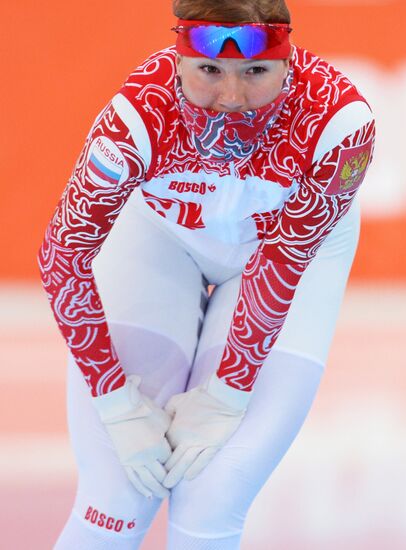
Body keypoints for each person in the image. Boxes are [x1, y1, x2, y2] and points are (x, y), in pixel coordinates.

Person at [38, 0, 375, 548]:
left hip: (283, 251)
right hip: (160, 236)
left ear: (288, 65)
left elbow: (284, 261)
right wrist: (114, 403)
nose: (232, 100)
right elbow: (62, 255)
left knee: (212, 495)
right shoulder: (137, 119)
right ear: (177, 62)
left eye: (256, 72)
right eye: (209, 71)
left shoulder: (339, 122)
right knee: (116, 497)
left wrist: (229, 392)